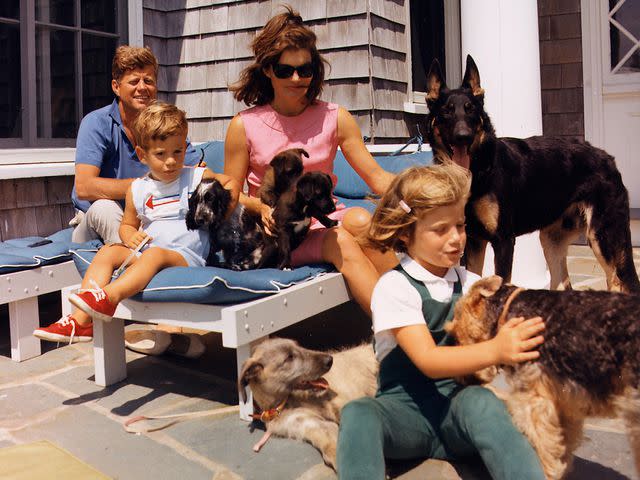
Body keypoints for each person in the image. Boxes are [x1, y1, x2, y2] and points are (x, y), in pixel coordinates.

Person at [336, 163, 546, 479]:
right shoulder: (394, 287)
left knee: (483, 402)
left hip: (457, 412)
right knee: (358, 412)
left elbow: (513, 315)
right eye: (440, 229)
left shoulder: (472, 282)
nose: (456, 239)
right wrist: (497, 351)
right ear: (406, 234)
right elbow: (429, 360)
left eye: (460, 226)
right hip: (405, 417)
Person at [225, 6, 398, 315]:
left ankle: (420, 313)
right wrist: (261, 207)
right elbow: (231, 194)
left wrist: (429, 191)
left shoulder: (336, 118)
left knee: (360, 220)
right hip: (277, 234)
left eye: (305, 70)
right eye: (285, 70)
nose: (297, 78)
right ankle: (400, 332)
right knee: (340, 241)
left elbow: (378, 178)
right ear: (268, 70)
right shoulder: (244, 125)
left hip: (323, 219)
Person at [34, 102, 240, 350]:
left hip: (184, 255)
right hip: (146, 251)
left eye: (178, 152)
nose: (171, 162)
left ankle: (108, 298)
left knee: (154, 255)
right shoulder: (138, 189)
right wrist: (129, 235)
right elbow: (128, 225)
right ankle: (81, 321)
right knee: (108, 251)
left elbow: (230, 183)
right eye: (161, 154)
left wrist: (221, 212)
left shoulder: (195, 177)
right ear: (143, 155)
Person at [70, 45, 201, 245]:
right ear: (116, 86)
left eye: (148, 80)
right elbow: (85, 187)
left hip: (148, 216)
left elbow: (193, 172)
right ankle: (135, 265)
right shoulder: (96, 122)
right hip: (94, 220)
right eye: (134, 81)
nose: (142, 87)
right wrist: (147, 186)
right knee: (106, 207)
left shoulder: (163, 124)